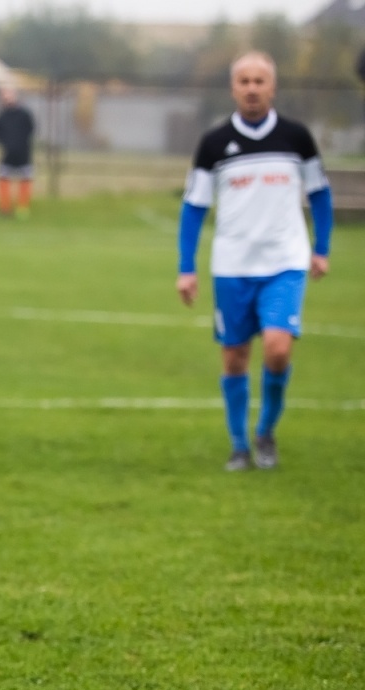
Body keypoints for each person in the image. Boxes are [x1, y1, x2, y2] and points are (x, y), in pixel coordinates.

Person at [176, 52, 332, 472]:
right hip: (232, 266)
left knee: (278, 350)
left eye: (259, 81)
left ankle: (265, 433)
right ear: (233, 88)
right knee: (235, 358)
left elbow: (319, 193)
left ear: (272, 87)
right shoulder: (213, 144)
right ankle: (239, 445)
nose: (251, 88)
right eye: (243, 81)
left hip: (285, 261)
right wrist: (186, 267)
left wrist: (322, 247)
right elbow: (193, 208)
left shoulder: (297, 138)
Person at [0, 85, 35, 219]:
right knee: (3, 177)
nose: (7, 98)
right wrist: (5, 144)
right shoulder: (1, 115)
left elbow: (30, 129)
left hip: (24, 152)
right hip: (7, 152)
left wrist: (21, 143)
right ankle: (5, 208)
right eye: (4, 95)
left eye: (9, 94)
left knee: (26, 177)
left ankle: (23, 208)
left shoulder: (24, 114)